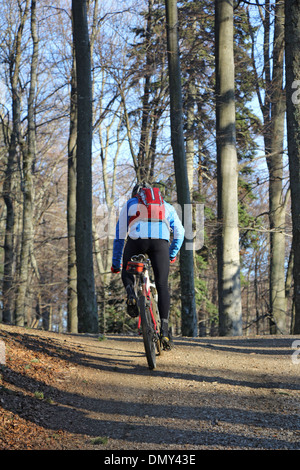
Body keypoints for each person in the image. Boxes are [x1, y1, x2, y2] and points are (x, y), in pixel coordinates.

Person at [111, 182, 184, 350]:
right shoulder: (167, 207)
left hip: (137, 242)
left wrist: (116, 263)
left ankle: (131, 293)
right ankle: (164, 330)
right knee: (162, 284)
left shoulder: (130, 204)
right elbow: (180, 233)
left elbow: (120, 235)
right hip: (160, 244)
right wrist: (171, 254)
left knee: (127, 271)